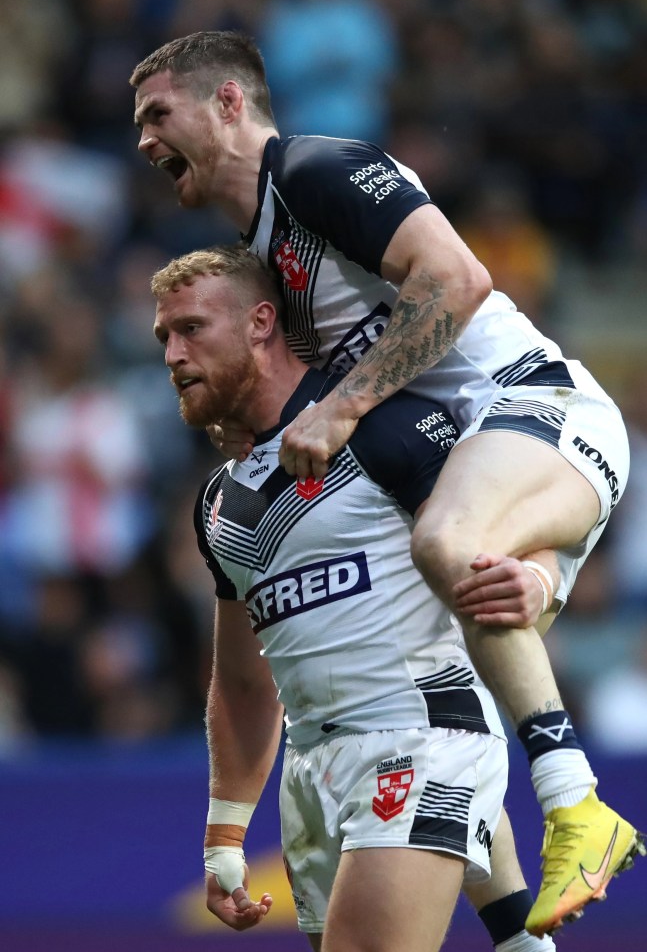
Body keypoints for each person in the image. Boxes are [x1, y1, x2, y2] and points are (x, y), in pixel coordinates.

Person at [131, 31, 645, 936]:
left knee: (446, 544)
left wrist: (339, 410)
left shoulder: (321, 170)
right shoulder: (270, 254)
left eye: (157, 113)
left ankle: (574, 802)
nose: (142, 139)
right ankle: (523, 922)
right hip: (478, 462)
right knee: (475, 584)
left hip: (534, 404)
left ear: (228, 104)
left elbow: (457, 276)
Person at [150, 244, 559, 952]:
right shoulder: (220, 500)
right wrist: (224, 827)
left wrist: (542, 578)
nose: (172, 354)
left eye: (191, 328)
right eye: (163, 337)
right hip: (310, 773)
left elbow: (526, 505)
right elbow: (246, 679)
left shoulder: (382, 425)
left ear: (259, 321)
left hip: (419, 736)